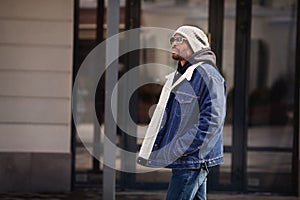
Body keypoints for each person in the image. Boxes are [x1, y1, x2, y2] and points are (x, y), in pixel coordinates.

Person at [137, 25, 226, 200]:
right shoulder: (181, 77)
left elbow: (212, 122)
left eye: (179, 39)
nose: (173, 44)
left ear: (195, 44)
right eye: (172, 40)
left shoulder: (207, 75)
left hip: (192, 159)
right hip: (187, 160)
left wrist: (179, 148)